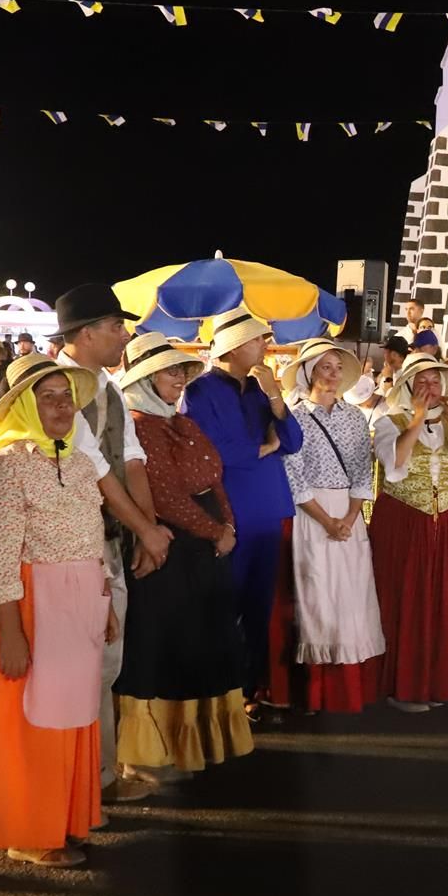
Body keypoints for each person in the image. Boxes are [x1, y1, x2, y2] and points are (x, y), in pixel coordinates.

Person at [0, 353, 113, 867]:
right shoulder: (7, 465)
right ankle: (28, 829)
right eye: (47, 398)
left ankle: (63, 820)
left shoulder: (80, 462)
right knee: (33, 720)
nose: (61, 406)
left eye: (66, 397)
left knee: (71, 716)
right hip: (31, 603)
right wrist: (10, 632)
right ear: (25, 406)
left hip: (80, 602)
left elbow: (95, 537)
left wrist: (105, 597)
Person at [111, 333, 254, 773]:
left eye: (180, 371)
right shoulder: (138, 426)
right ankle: (154, 750)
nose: (178, 379)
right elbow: (165, 494)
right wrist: (215, 531)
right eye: (170, 371)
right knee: (165, 643)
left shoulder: (182, 423)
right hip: (173, 548)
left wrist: (227, 525)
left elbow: (216, 477)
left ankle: (195, 742)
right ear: (146, 379)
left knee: (201, 641)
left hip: (205, 550)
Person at [53, 284, 173, 799]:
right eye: (115, 326)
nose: (125, 335)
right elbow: (97, 468)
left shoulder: (108, 385)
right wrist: (148, 530)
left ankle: (97, 777)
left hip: (107, 537)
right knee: (77, 664)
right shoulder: (55, 386)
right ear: (85, 333)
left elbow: (132, 460)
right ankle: (76, 785)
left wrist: (147, 530)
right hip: (68, 544)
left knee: (105, 661)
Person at [184, 305, 303, 720]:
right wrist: (262, 448)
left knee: (257, 606)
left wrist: (274, 395)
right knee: (223, 605)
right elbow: (212, 451)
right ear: (234, 347)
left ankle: (250, 692)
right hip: (230, 511)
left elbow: (293, 439)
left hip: (268, 509)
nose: (265, 346)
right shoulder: (200, 391)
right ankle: (218, 693)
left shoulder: (257, 390)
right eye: (258, 339)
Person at [280, 339, 386, 713]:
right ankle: (316, 691)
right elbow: (294, 476)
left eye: (338, 368)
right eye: (325, 367)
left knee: (352, 595)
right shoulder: (292, 417)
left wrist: (350, 518)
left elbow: (361, 472)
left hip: (348, 514)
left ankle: (349, 688)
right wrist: (327, 520)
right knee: (318, 595)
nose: (333, 375)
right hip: (312, 513)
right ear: (308, 372)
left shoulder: (354, 417)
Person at [370, 352, 448, 711]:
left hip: (444, 521)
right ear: (408, 386)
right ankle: (403, 686)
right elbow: (396, 462)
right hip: (403, 520)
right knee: (406, 599)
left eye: (435, 381)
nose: (429, 387)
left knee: (441, 600)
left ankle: (436, 682)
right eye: (422, 381)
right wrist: (415, 419)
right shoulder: (389, 421)